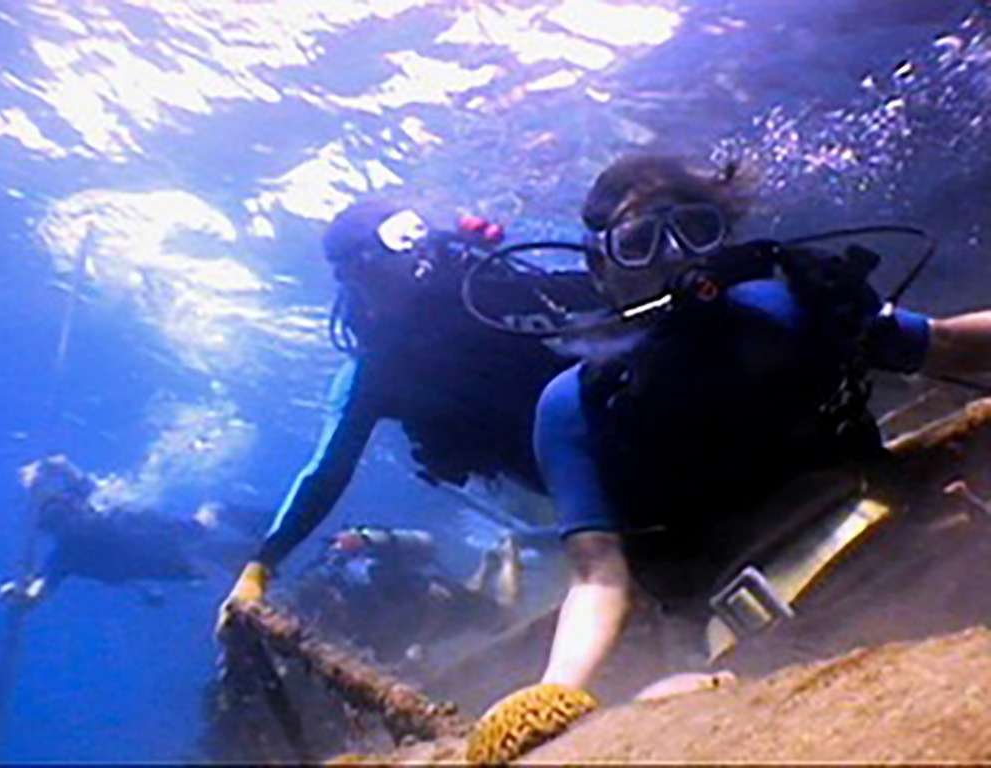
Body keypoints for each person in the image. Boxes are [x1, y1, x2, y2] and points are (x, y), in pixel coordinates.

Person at [519, 152, 991, 701]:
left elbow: (950, 343)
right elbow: (597, 576)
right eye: (640, 240)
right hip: (754, 646)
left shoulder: (799, 303)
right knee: (666, 700)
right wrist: (554, 691)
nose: (673, 257)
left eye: (694, 229)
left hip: (913, 548)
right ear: (600, 266)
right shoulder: (576, 406)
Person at [219, 201, 597, 624]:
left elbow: (608, 296)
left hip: (604, 433)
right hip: (554, 472)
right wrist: (262, 564)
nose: (418, 250)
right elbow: (327, 470)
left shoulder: (487, 287)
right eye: (399, 239)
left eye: (415, 231)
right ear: (362, 270)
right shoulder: (377, 370)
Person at [0, 454, 208, 608]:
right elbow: (39, 590)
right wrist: (20, 595)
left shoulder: (84, 513)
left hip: (156, 541)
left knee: (201, 532)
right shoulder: (65, 557)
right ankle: (150, 586)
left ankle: (209, 522)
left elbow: (62, 464)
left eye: (68, 514)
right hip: (153, 561)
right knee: (199, 562)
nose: (70, 522)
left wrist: (34, 476)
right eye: (60, 522)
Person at [294, 525, 520, 661]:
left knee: (504, 616)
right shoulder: (344, 615)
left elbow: (432, 596)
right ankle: (489, 564)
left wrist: (415, 642)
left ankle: (511, 555)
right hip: (436, 618)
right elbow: (384, 648)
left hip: (440, 608)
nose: (332, 612)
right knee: (470, 601)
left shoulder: (364, 581)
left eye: (328, 606)